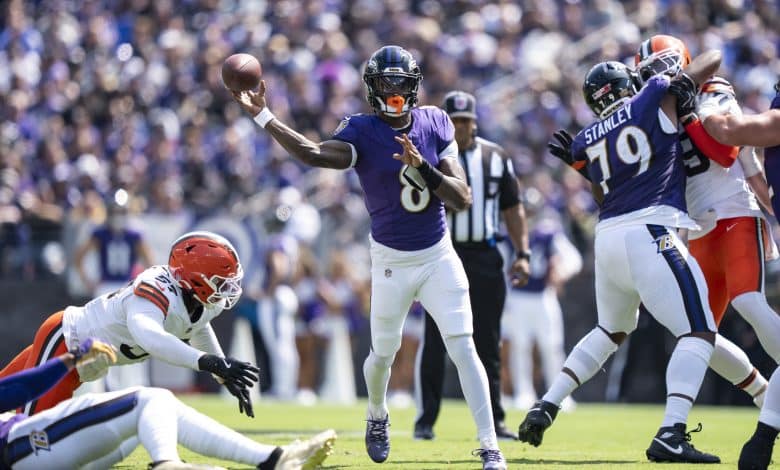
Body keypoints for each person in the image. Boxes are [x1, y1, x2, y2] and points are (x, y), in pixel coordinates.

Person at [232, 45, 507, 469]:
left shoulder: (435, 121)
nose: (394, 91)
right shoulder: (361, 130)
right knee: (382, 353)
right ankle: (377, 413)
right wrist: (264, 116)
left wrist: (424, 169)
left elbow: (463, 197)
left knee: (463, 346)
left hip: (437, 254)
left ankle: (490, 447)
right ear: (372, 88)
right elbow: (313, 154)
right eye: (386, 83)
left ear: (414, 87)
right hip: (392, 259)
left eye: (401, 82)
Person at [516, 52, 722, 463]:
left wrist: (583, 166)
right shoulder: (649, 96)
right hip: (650, 229)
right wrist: (672, 77)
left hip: (608, 237)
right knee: (698, 333)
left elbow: (601, 194)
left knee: (610, 330)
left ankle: (548, 403)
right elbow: (711, 60)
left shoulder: (586, 138)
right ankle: (671, 431)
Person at [634, 36, 779, 407]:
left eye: (664, 66)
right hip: (699, 226)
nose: (657, 76)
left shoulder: (708, 91)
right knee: (697, 332)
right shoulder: (655, 112)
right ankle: (763, 395)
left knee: (748, 302)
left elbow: (727, 152)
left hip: (735, 211)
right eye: (649, 71)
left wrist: (690, 113)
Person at [0, 231, 260, 417]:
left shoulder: (200, 299)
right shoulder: (156, 287)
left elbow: (198, 327)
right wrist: (209, 362)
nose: (229, 289)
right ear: (195, 278)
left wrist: (222, 373)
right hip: (67, 341)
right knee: (34, 433)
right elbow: (150, 337)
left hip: (84, 362)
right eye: (222, 282)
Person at [0, 337, 337, 470]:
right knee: (150, 400)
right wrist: (68, 360)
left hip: (29, 451)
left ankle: (272, 459)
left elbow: (14, 389)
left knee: (163, 410)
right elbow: (16, 391)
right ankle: (166, 464)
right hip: (22, 449)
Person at [413, 90, 530, 441]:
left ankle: (495, 419)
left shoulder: (496, 157)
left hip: (485, 255)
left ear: (475, 122)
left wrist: (522, 252)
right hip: (443, 252)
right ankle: (425, 420)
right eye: (455, 121)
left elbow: (513, 207)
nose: (461, 128)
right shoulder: (430, 156)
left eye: (466, 121)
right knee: (434, 340)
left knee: (488, 340)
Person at [501, 194, 582, 412]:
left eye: (531, 211)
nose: (528, 215)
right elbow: (501, 268)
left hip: (543, 295)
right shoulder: (508, 235)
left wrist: (560, 272)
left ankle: (560, 395)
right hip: (517, 297)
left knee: (552, 346)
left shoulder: (549, 234)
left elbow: (573, 259)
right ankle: (523, 393)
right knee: (520, 346)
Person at [73, 190, 156, 392]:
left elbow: (150, 263)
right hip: (107, 289)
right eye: (115, 211)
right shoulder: (100, 233)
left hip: (127, 289)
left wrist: (141, 282)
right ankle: (100, 386)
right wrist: (87, 280)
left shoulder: (134, 234)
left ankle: (134, 386)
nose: (118, 216)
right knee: (100, 337)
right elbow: (79, 257)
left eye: (121, 211)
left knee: (136, 337)